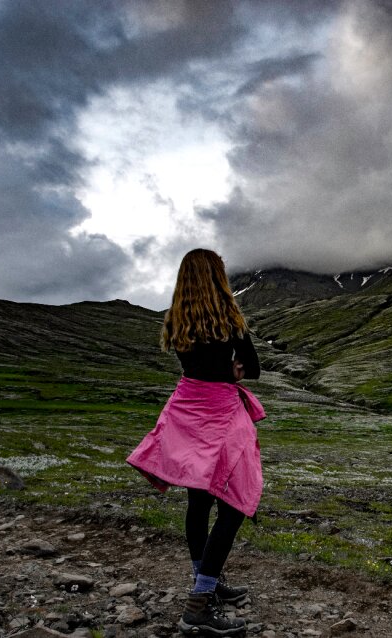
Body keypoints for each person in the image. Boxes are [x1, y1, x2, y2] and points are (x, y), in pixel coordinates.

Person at [127, 248, 265, 637]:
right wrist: (233, 368)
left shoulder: (177, 319)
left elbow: (194, 366)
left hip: (187, 412)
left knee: (198, 502)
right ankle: (200, 602)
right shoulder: (228, 317)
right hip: (220, 415)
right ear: (217, 276)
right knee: (234, 506)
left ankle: (206, 580)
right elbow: (251, 367)